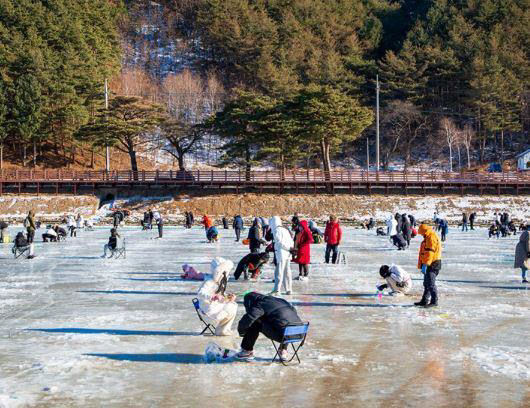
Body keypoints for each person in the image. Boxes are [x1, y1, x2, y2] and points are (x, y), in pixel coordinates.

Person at [235, 292, 302, 361]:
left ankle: (246, 351)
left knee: (255, 323)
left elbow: (249, 318)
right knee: (285, 323)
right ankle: (283, 350)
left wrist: (242, 332)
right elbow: (293, 311)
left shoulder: (260, 303)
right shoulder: (279, 300)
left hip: (284, 335)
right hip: (300, 332)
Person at [197, 257, 238, 336]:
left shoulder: (221, 281)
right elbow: (200, 293)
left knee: (233, 305)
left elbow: (220, 295)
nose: (224, 273)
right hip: (208, 308)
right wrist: (211, 297)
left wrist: (227, 297)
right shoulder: (209, 281)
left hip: (215, 305)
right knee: (230, 308)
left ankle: (224, 329)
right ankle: (221, 331)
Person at [415, 224, 442, 308]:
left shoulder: (431, 237)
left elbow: (430, 252)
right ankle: (424, 300)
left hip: (433, 263)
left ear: (424, 231)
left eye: (422, 233)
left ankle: (434, 301)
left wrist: (426, 264)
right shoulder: (428, 237)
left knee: (430, 283)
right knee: (426, 283)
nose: (421, 235)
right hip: (429, 263)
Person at [269, 216, 294, 296]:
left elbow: (279, 242)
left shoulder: (277, 230)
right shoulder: (285, 230)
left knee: (279, 272)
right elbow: (291, 241)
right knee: (287, 272)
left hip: (282, 253)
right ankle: (289, 289)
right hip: (288, 253)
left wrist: (288, 248)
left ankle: (277, 289)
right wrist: (290, 249)